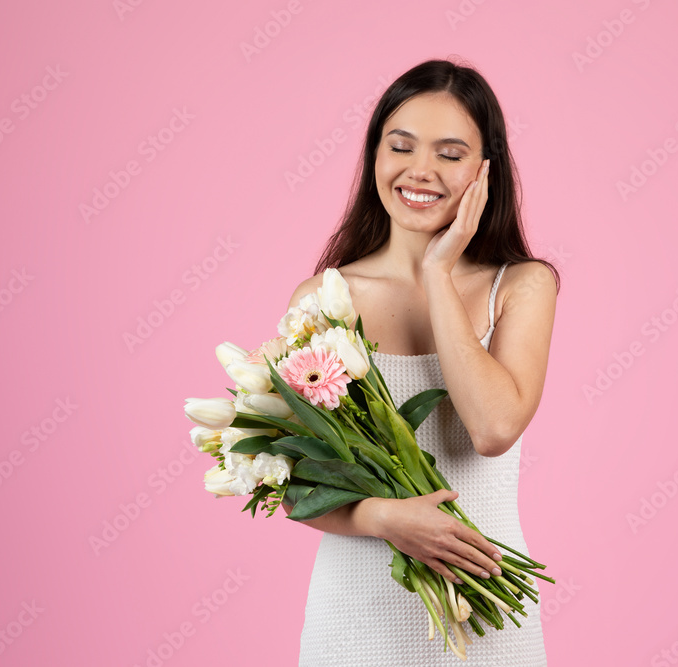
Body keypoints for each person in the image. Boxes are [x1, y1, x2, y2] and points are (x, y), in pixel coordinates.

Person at [284, 58, 560, 666]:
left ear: (487, 170)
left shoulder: (520, 285)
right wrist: (387, 517)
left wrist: (437, 270)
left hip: (487, 619)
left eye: (451, 154)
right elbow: (294, 483)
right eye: (401, 146)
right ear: (374, 157)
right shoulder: (323, 301)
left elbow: (492, 429)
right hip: (356, 622)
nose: (420, 171)